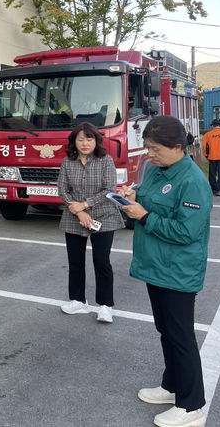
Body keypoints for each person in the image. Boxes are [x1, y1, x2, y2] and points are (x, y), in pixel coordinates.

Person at [119, 116, 211, 427]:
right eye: (146, 148)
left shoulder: (193, 181)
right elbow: (150, 203)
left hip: (178, 271)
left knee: (181, 336)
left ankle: (191, 406)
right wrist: (132, 200)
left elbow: (186, 232)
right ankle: (172, 386)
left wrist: (143, 216)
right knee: (167, 332)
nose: (149, 154)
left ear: (177, 147)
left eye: (155, 149)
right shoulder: (160, 171)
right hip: (157, 266)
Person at [57, 122, 124, 323]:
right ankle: (78, 301)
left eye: (89, 139)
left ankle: (105, 306)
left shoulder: (105, 160)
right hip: (74, 217)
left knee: (101, 260)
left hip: (104, 216)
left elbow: (109, 189)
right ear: (74, 142)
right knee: (75, 261)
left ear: (96, 141)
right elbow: (63, 190)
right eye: (80, 139)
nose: (85, 143)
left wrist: (84, 205)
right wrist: (78, 211)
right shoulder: (68, 162)